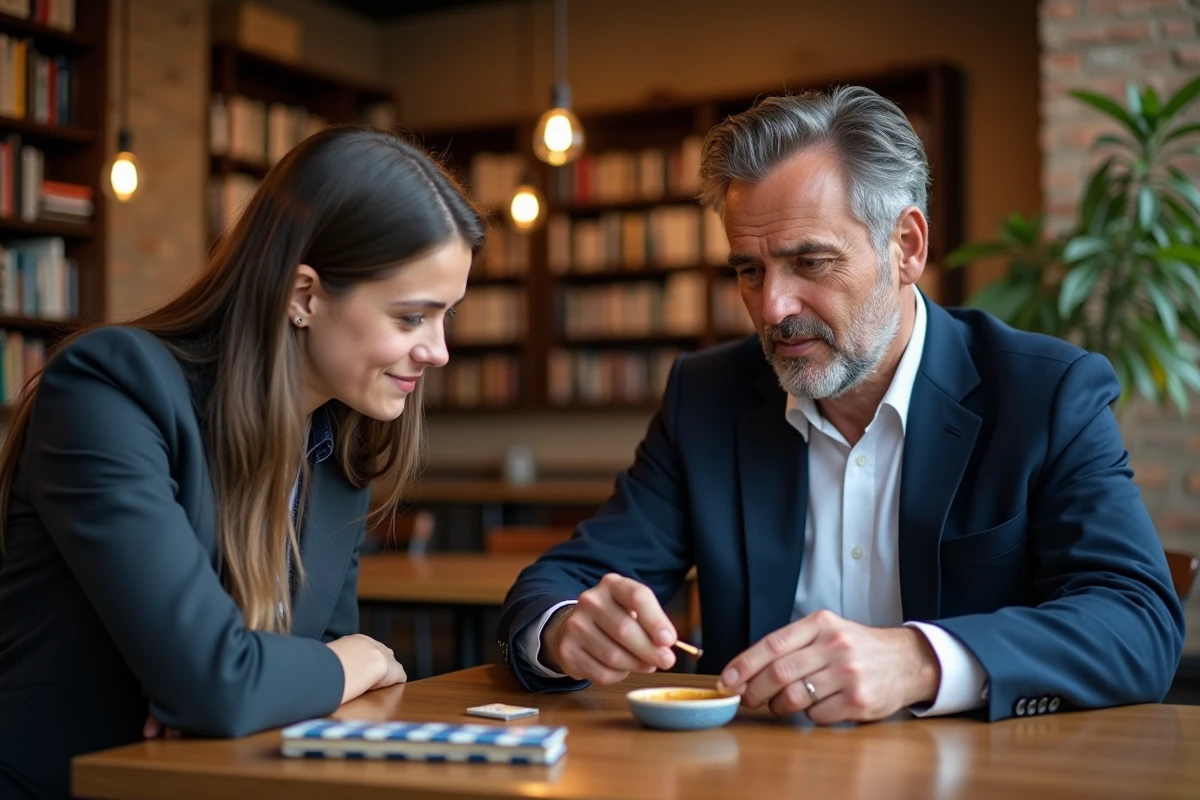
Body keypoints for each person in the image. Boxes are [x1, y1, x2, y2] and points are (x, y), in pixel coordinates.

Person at [497, 87, 1184, 724]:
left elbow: (1138, 624)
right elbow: (560, 584)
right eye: (749, 269)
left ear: (906, 247)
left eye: (811, 263)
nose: (773, 307)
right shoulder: (706, 398)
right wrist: (565, 629)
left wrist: (920, 660)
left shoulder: (1045, 395)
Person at [0, 124, 484, 799]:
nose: (440, 351)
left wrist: (263, 685)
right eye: (411, 318)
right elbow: (223, 685)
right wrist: (352, 661)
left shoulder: (341, 445)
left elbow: (301, 692)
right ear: (304, 295)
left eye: (446, 316)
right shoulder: (107, 389)